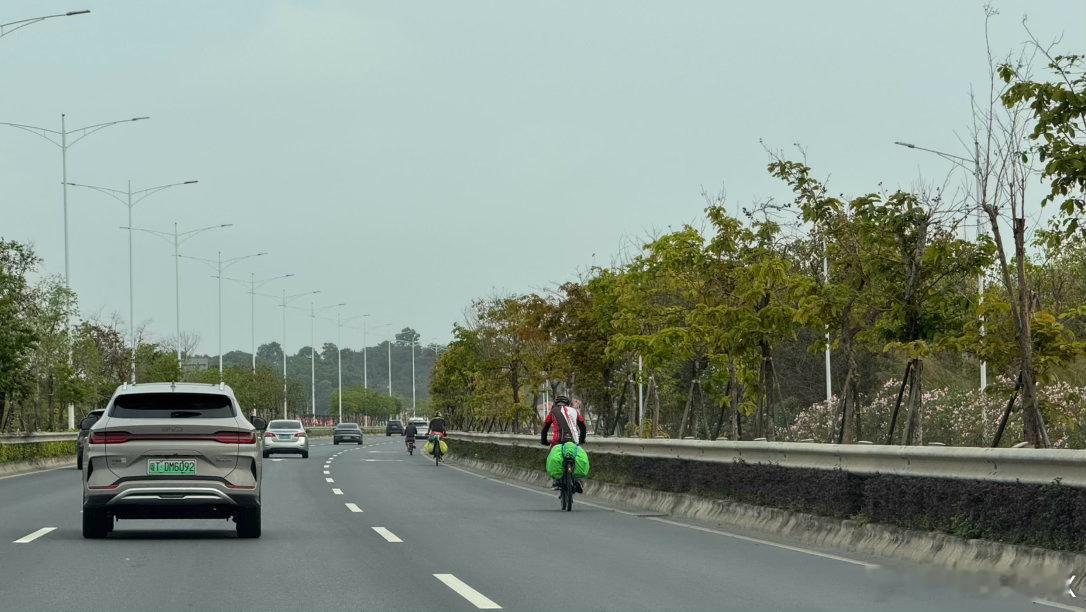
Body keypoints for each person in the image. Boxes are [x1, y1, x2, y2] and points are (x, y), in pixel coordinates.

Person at [540, 396, 586, 493]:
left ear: (555, 404)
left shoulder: (553, 412)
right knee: (575, 456)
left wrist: (544, 441)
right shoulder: (574, 411)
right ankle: (577, 480)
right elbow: (583, 426)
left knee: (552, 455)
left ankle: (556, 480)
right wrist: (581, 440)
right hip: (574, 440)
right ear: (568, 404)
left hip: (558, 441)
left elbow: (545, 428)